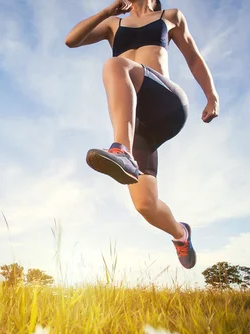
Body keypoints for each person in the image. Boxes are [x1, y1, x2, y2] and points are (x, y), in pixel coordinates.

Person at [65, 0, 219, 269]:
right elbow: (71, 40)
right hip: (138, 123)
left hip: (166, 103)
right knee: (145, 204)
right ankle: (181, 234)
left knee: (115, 65)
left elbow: (193, 57)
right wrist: (105, 13)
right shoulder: (114, 23)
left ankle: (121, 150)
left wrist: (212, 96)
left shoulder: (170, 16)